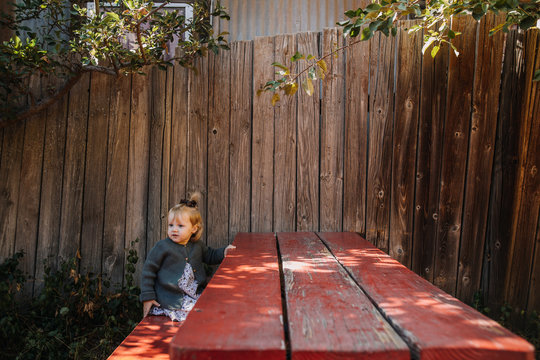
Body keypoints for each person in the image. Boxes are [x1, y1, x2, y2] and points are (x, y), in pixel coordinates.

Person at [140, 191, 236, 321]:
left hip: (194, 294)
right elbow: (148, 271)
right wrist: (148, 296)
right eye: (171, 225)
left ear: (194, 229)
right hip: (171, 298)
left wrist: (224, 252)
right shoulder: (162, 247)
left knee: (218, 306)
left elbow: (210, 255)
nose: (174, 229)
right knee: (200, 315)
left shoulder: (197, 245)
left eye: (180, 226)